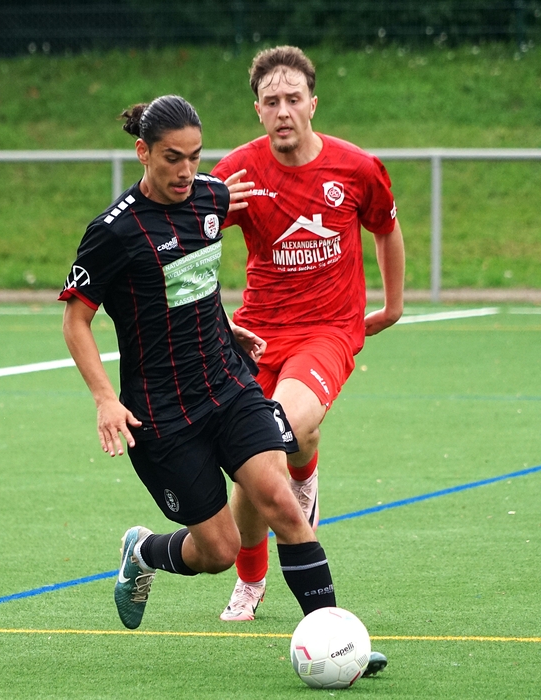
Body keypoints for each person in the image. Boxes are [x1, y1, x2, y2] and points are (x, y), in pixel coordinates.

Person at [59, 94, 338, 631]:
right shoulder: (114, 232)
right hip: (163, 414)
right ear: (143, 152)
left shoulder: (211, 197)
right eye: (173, 158)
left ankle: (332, 636)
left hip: (228, 386)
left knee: (281, 501)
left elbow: (194, 276)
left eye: (194, 156)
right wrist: (104, 399)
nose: (187, 171)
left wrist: (224, 327)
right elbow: (76, 321)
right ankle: (143, 552)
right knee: (218, 551)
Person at [211, 46, 405, 630]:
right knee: (257, 458)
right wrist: (217, 319)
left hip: (328, 330)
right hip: (256, 334)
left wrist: (393, 305)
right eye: (271, 101)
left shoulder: (356, 168)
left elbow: (386, 228)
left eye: (293, 99)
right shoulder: (237, 173)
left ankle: (294, 481)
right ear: (257, 110)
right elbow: (190, 243)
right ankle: (251, 577)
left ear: (313, 104)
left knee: (268, 438)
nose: (283, 111)